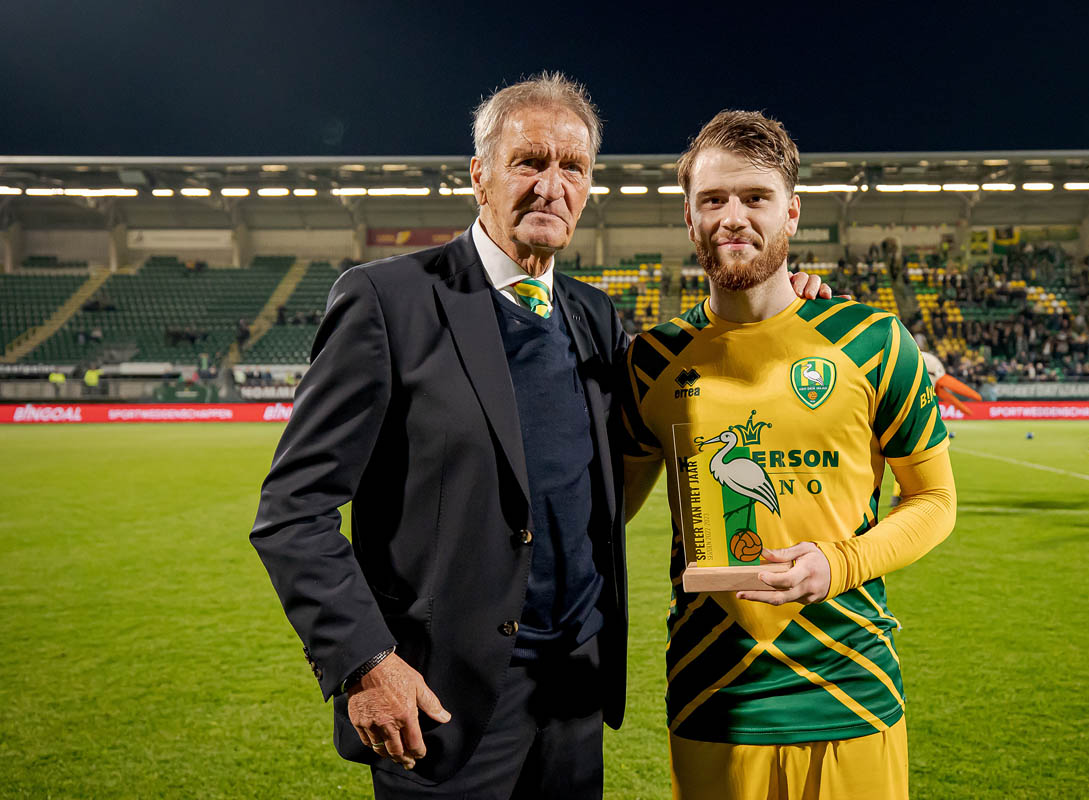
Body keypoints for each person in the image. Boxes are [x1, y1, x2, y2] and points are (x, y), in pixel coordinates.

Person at [249, 71, 838, 799]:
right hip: (441, 697)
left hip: (573, 689)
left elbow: (671, 407)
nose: (550, 186)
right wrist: (365, 661)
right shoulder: (387, 302)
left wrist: (785, 299)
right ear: (480, 175)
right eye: (529, 161)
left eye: (573, 168)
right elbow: (292, 514)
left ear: (588, 188)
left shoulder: (594, 316)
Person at [621, 111, 957, 800]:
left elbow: (934, 501)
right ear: (689, 218)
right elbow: (600, 516)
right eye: (713, 200)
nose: (733, 217)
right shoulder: (650, 360)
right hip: (713, 694)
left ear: (792, 213)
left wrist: (838, 564)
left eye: (755, 198)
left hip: (852, 692)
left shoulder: (871, 340)